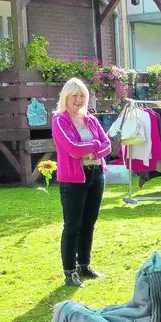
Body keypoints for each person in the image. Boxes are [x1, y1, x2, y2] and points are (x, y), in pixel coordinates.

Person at [50, 78, 112, 287]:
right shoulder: (60, 120)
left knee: (89, 224)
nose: (78, 100)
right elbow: (73, 149)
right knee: (72, 226)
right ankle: (69, 272)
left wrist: (91, 146)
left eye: (82, 96)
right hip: (73, 180)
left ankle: (84, 265)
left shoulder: (91, 120)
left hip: (96, 175)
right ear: (65, 97)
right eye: (74, 96)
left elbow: (108, 146)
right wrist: (94, 145)